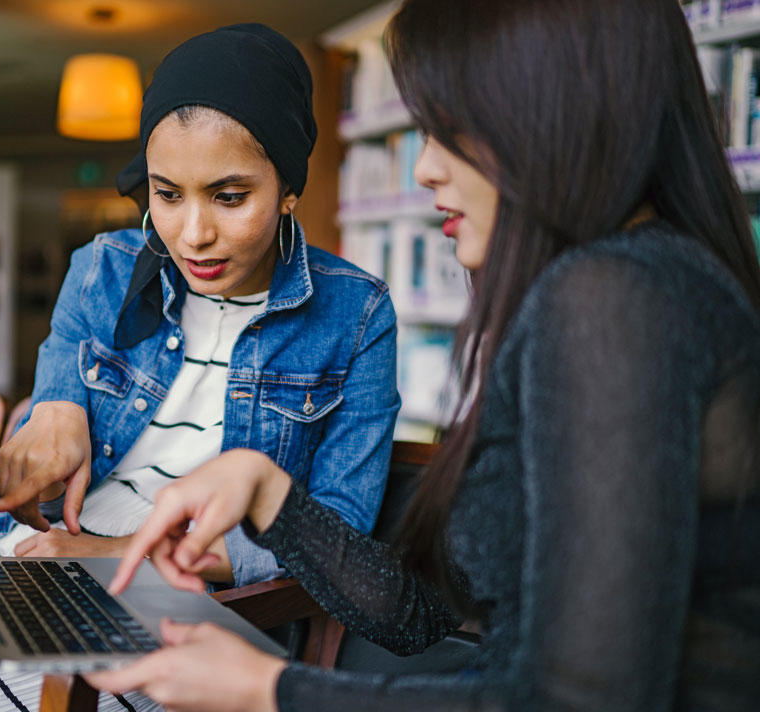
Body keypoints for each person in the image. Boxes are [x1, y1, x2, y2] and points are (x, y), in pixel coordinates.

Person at [84, 1, 760, 710]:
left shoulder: (614, 299)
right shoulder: (625, 286)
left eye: (448, 130)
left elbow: (580, 701)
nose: (428, 168)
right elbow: (418, 618)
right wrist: (267, 492)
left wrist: (268, 690)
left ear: (550, 109)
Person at [0, 24, 400, 712]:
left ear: (289, 190)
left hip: (188, 605)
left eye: (229, 196)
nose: (192, 234)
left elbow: (335, 538)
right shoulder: (104, 267)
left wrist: (116, 550)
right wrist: (55, 408)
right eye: (168, 193)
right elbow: (50, 415)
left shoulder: (357, 315)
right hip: (33, 554)